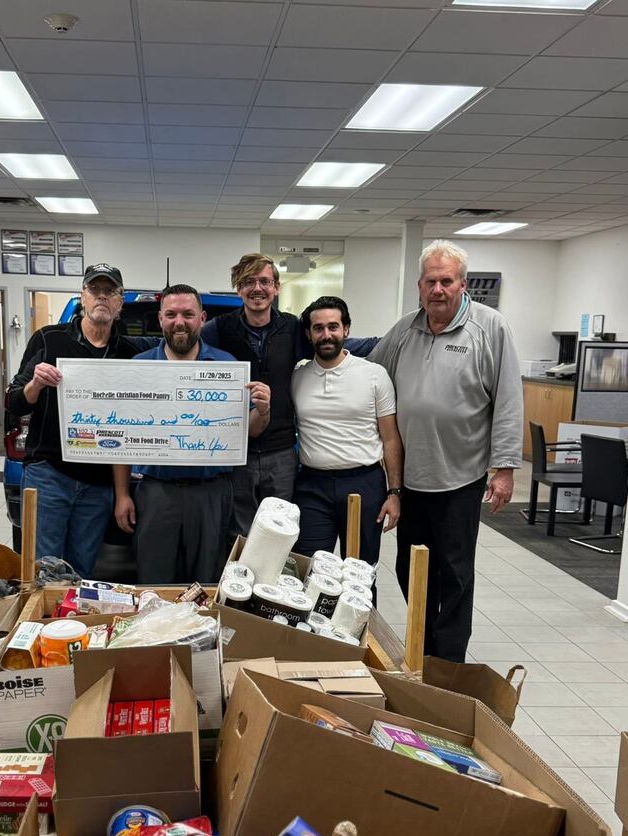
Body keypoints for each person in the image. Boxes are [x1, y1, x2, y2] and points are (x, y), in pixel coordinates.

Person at [369, 239, 523, 662]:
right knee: (410, 568)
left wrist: (505, 468)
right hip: (410, 479)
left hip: (461, 477)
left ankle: (447, 659)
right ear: (419, 285)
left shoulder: (490, 327)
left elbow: (509, 399)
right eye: (431, 281)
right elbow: (371, 371)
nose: (438, 289)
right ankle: (422, 642)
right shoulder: (406, 329)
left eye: (446, 281)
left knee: (454, 574)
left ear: (462, 284)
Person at [202, 253, 378, 537]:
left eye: (264, 281)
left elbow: (339, 343)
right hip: (236, 452)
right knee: (238, 532)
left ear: (277, 287)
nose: (257, 288)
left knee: (280, 534)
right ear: (238, 288)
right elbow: (184, 352)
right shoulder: (219, 330)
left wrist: (396, 342)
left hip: (281, 452)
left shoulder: (293, 327)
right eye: (248, 282)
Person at [114, 284, 271, 584]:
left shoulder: (227, 367)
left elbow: (247, 432)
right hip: (157, 491)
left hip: (211, 491)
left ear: (202, 318)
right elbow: (123, 440)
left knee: (207, 578)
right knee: (154, 578)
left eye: (188, 314)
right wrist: (122, 494)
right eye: (171, 314)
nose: (179, 322)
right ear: (160, 319)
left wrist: (262, 412)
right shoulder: (139, 367)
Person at [6, 263, 137, 578]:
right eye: (95, 290)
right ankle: (41, 626)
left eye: (110, 292)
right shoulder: (48, 340)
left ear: (120, 302)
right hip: (50, 475)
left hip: (98, 485)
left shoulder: (129, 353)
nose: (101, 297)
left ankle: (74, 626)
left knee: (81, 570)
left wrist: (121, 493)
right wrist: (35, 384)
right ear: (83, 296)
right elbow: (14, 402)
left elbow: (125, 433)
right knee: (42, 569)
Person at [292, 296, 403, 574]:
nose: (326, 335)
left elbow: (390, 439)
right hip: (311, 488)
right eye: (318, 328)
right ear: (309, 334)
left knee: (361, 576)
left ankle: (362, 620)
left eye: (333, 326)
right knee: (308, 573)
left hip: (364, 484)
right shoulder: (297, 376)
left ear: (347, 329)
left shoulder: (374, 375)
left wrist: (394, 492)